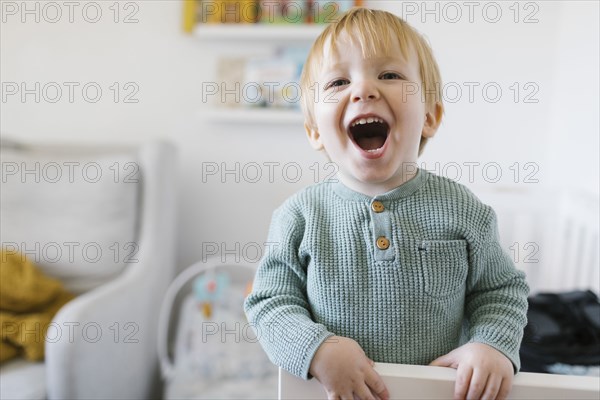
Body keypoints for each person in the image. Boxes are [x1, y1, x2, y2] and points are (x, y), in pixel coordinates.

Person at [244, 7, 529, 400]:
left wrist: (491, 344)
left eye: (389, 75)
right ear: (314, 131)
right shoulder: (300, 216)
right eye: (339, 81)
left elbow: (500, 290)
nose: (364, 90)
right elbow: (269, 301)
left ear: (430, 116)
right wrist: (316, 348)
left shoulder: (462, 210)